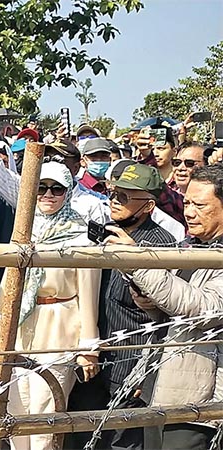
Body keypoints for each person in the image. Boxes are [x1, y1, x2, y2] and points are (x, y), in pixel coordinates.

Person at [0, 162, 101, 450]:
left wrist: (88, 348)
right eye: (41, 187)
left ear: (68, 192)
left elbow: (88, 294)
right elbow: (9, 280)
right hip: (22, 328)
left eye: (57, 189)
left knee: (46, 410)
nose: (48, 194)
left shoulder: (80, 236)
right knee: (15, 403)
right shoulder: (26, 228)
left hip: (59, 327)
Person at [105, 164, 223, 450]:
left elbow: (205, 308)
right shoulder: (191, 245)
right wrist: (149, 302)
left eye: (200, 205)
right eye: (187, 202)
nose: (189, 212)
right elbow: (172, 310)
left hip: (198, 400)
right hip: (161, 385)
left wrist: (138, 262)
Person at [92, 163, 177, 450]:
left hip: (132, 365)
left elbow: (166, 315)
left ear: (149, 206)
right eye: (113, 193)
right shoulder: (109, 233)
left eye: (124, 198)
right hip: (99, 358)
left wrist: (147, 372)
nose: (114, 201)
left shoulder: (161, 246)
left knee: (122, 442)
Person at [0, 139, 111, 225]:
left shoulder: (92, 204)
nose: (51, 163)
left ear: (75, 168)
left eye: (58, 159)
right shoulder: (31, 195)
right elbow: (2, 177)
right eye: (47, 158)